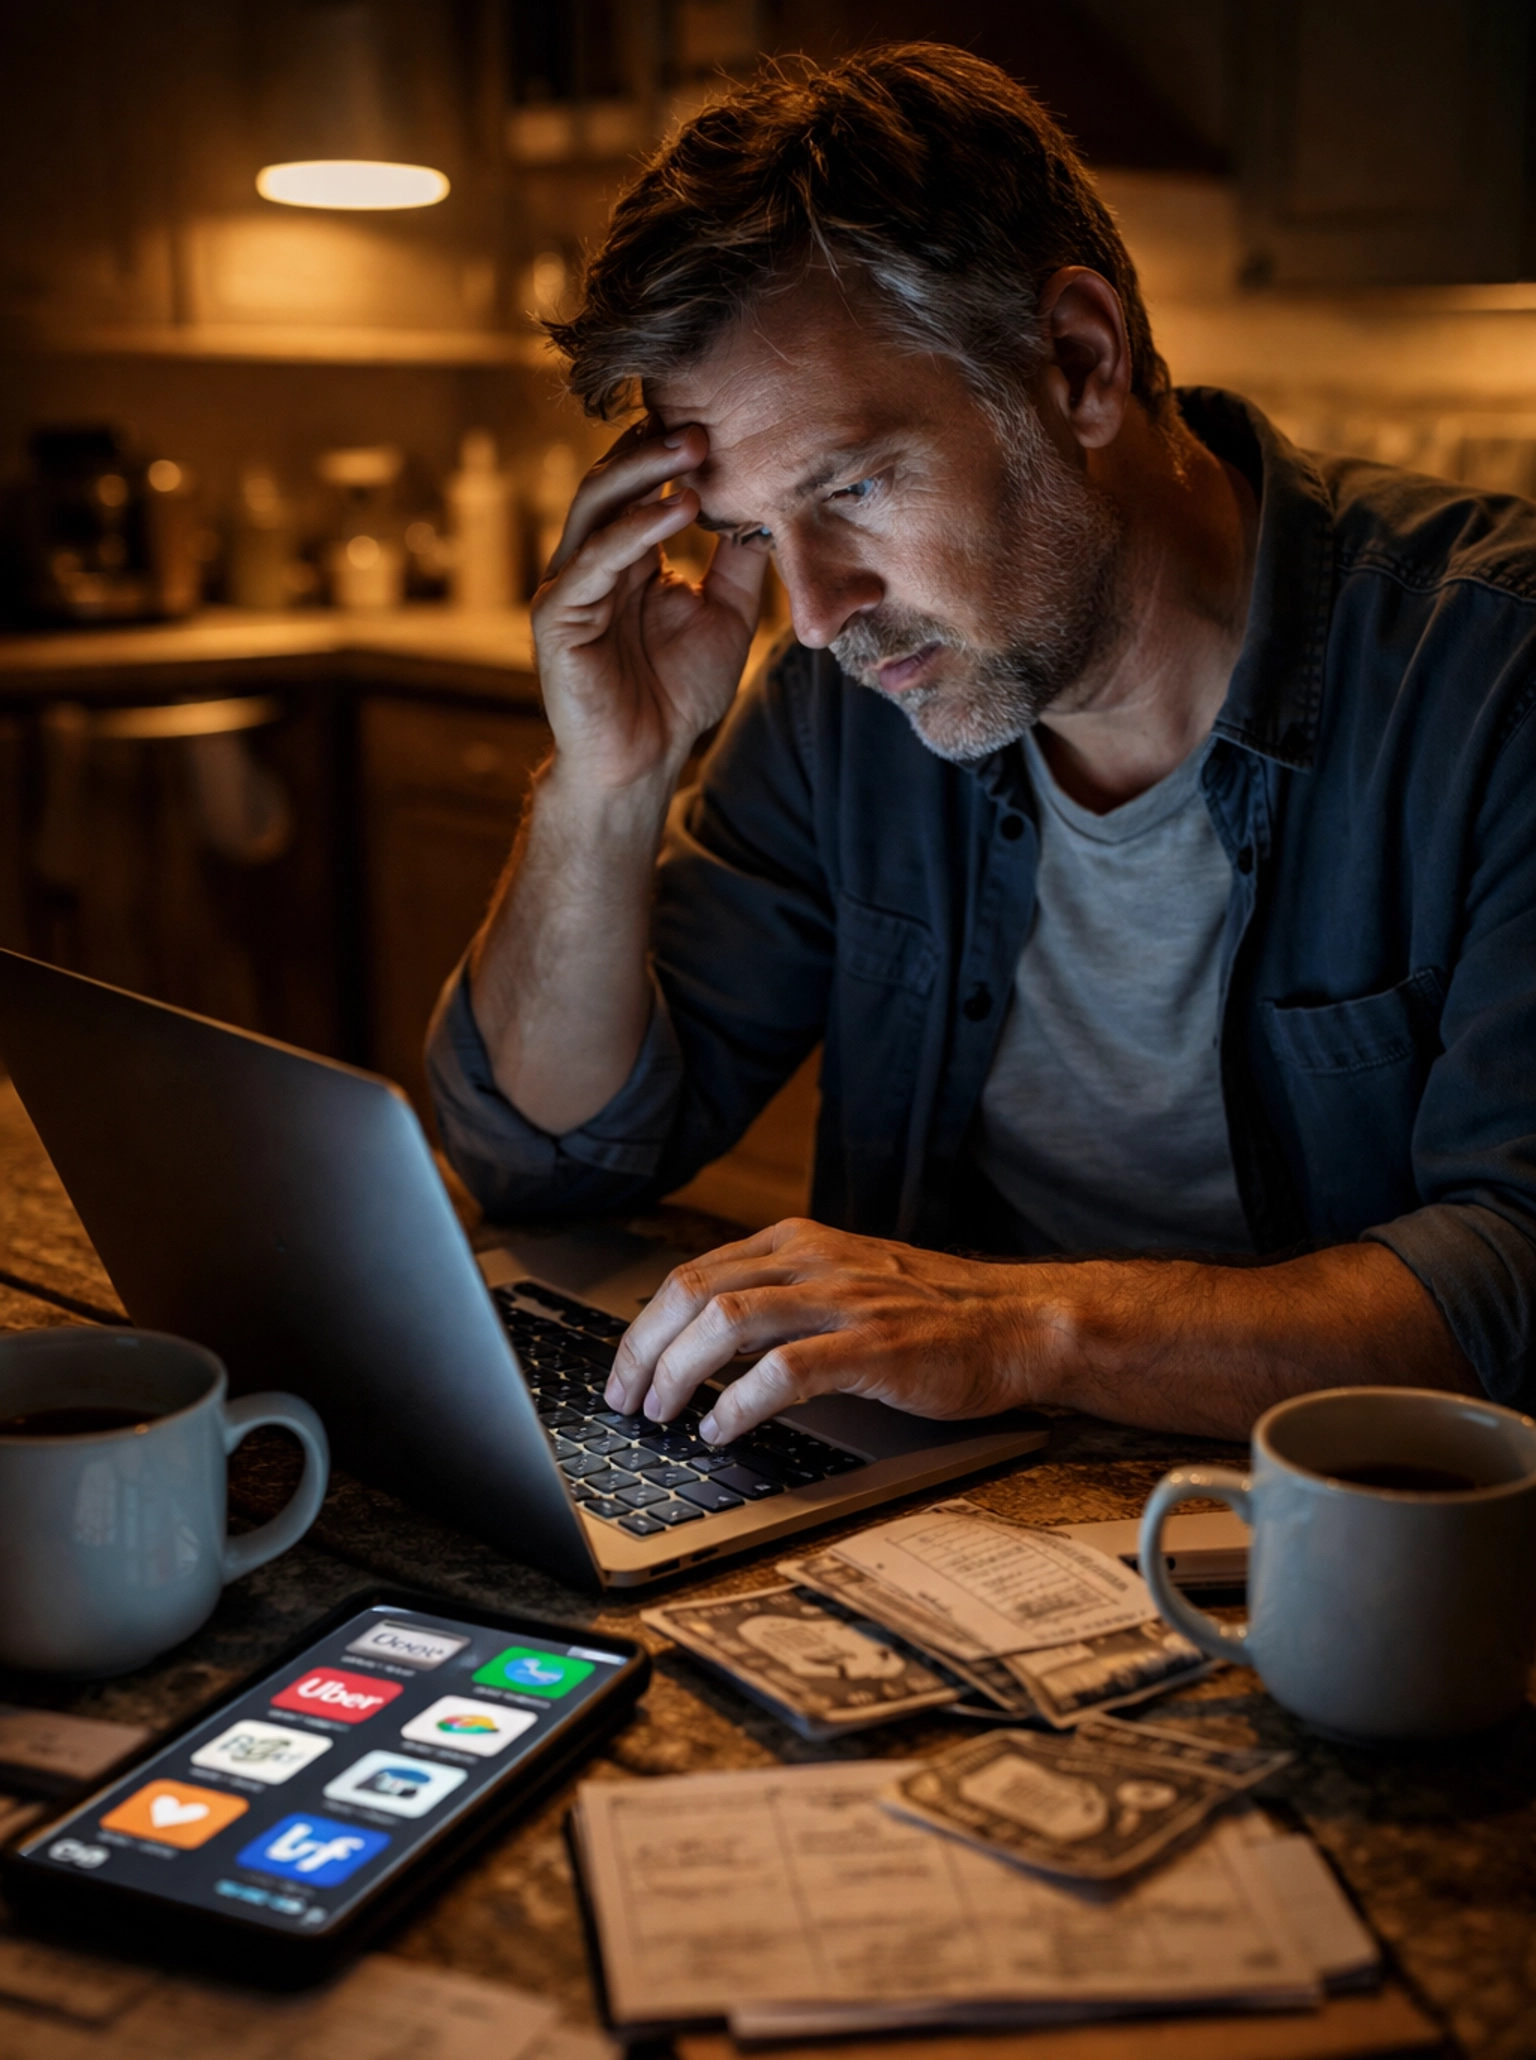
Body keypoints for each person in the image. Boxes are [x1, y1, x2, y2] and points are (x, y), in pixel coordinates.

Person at [427, 44, 1536, 1448]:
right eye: (760, 535)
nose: (817, 612)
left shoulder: (1497, 682)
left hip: (1357, 1566)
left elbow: (1514, 1281)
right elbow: (548, 1155)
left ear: (1078, 361)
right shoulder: (849, 699)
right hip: (939, 1524)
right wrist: (605, 780)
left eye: (857, 486)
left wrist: (1016, 1327)